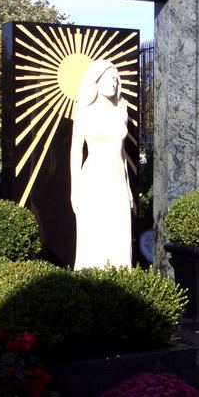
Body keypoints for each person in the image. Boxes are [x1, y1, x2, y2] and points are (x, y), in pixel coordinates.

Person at [70, 59, 133, 270]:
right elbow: (76, 151)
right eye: (109, 79)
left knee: (120, 240)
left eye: (116, 79)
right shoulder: (84, 111)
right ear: (96, 81)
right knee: (93, 239)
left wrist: (129, 189)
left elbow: (122, 153)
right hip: (92, 181)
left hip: (118, 184)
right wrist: (74, 189)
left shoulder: (122, 112)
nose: (114, 83)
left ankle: (122, 289)